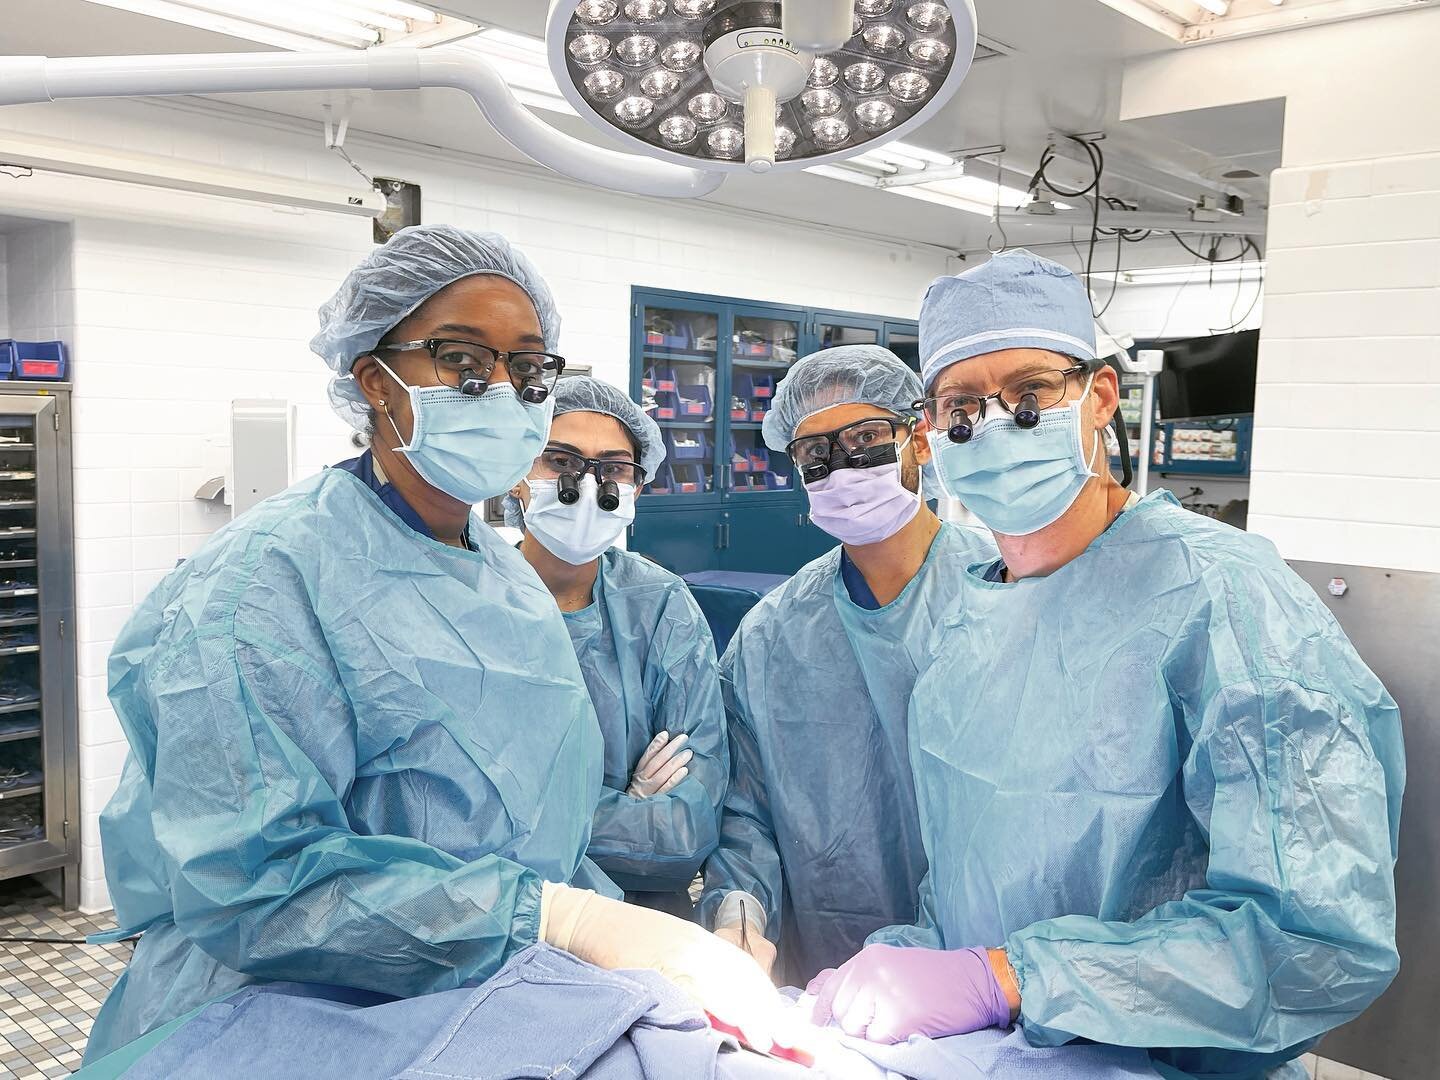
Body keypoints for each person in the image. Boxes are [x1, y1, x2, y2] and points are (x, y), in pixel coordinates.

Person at [85, 225, 782, 1064]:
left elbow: (530, 829)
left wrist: (609, 932)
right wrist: (557, 917)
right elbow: (258, 890)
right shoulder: (261, 584)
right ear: (376, 380)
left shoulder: (498, 574)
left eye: (527, 367)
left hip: (482, 997)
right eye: (463, 360)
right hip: (287, 1020)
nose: (502, 389)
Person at [807, 251, 1405, 1080]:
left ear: (1098, 397)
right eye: (960, 404)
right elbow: (972, 886)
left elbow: (1310, 938)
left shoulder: (1227, 600)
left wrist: (1008, 978)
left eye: (1028, 393)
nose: (992, 422)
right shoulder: (965, 620)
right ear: (933, 432)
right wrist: (903, 968)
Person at [699, 344, 996, 986]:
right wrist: (738, 913)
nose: (843, 468)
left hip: (996, 974)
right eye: (815, 455)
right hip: (837, 981)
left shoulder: (1005, 591)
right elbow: (746, 811)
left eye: (865, 439)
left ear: (918, 436)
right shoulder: (773, 636)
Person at [504, 376, 727, 916]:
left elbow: (682, 836)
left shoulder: (659, 605)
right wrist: (629, 808)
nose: (585, 484)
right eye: (561, 461)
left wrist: (555, 819)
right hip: (503, 919)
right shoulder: (469, 601)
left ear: (637, 485)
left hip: (646, 921)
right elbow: (453, 818)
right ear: (516, 473)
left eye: (612, 469)